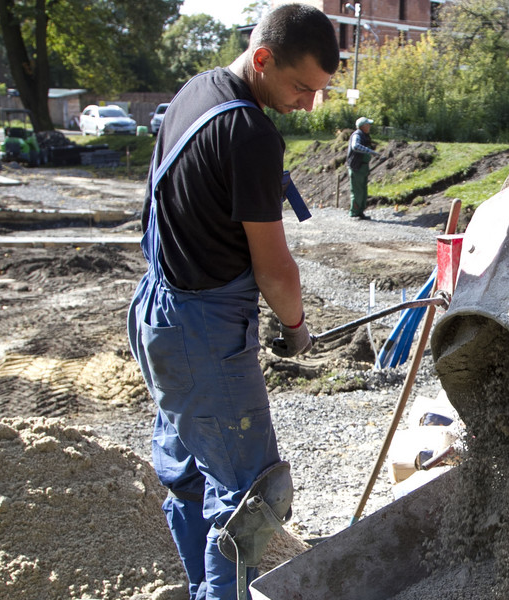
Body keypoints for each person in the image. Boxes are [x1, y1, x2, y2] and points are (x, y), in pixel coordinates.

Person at [125, 5, 339, 600]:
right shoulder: (248, 133)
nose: (306, 104)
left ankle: (203, 588)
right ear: (262, 57)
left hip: (159, 315)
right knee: (252, 495)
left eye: (318, 92)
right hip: (202, 333)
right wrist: (295, 328)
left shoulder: (196, 92)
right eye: (300, 86)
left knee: (193, 477)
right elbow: (275, 270)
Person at [346, 116, 379, 219]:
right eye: (368, 124)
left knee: (363, 191)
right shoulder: (357, 135)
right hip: (357, 167)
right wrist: (370, 151)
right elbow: (355, 146)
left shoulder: (364, 135)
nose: (369, 126)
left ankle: (360, 212)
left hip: (363, 167)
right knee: (357, 191)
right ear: (363, 126)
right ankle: (354, 213)